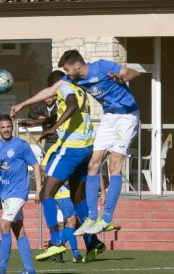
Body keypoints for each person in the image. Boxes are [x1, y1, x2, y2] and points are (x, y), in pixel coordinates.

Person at [11, 70, 105, 262]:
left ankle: (55, 243)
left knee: (46, 193)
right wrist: (38, 122)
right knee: (77, 197)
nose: (51, 93)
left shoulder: (64, 87)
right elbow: (69, 112)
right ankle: (93, 242)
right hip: (86, 149)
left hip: (71, 149)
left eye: (51, 89)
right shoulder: (79, 89)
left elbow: (71, 106)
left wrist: (53, 129)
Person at [57, 50, 140, 235]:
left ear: (77, 65)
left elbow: (135, 73)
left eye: (67, 69)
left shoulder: (102, 66)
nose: (66, 73)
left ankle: (108, 218)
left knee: (114, 163)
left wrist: (122, 77)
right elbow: (50, 89)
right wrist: (23, 104)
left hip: (127, 115)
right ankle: (92, 217)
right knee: (93, 164)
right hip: (109, 117)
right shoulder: (74, 79)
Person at [0, 114, 42, 274]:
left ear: (12, 127)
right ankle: (29, 269)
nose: (6, 129)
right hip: (5, 193)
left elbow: (36, 165)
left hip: (18, 193)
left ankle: (2, 267)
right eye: (3, 127)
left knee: (4, 224)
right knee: (18, 229)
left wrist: (39, 189)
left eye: (8, 126)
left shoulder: (21, 145)